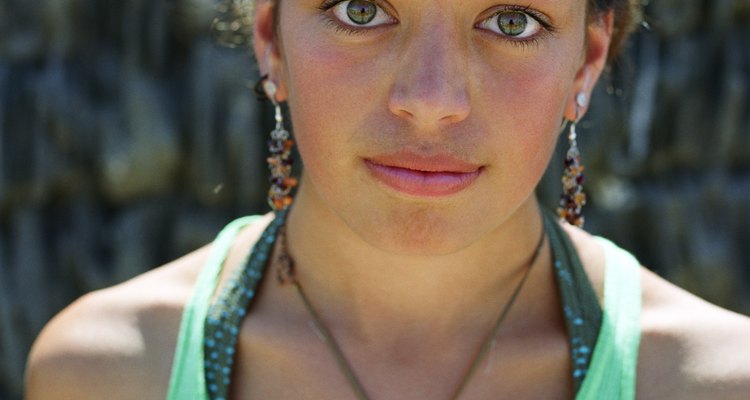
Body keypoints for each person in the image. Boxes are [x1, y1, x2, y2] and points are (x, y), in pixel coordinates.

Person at [24, 0, 750, 399]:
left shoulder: (714, 384)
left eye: (510, 21)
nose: (430, 102)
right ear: (271, 38)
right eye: (364, 10)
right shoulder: (109, 373)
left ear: (586, 61)